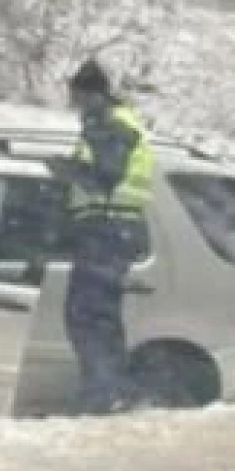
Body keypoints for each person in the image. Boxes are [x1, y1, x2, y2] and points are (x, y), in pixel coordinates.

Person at [49, 57, 155, 415]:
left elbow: (104, 177)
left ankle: (103, 393)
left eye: (78, 98)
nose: (75, 107)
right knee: (98, 316)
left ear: (93, 95)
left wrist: (67, 171)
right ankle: (109, 389)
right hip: (112, 230)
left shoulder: (109, 126)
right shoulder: (111, 123)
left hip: (107, 229)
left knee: (88, 315)